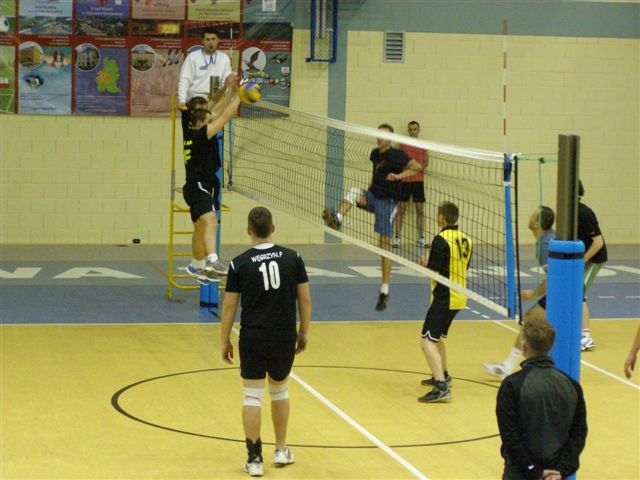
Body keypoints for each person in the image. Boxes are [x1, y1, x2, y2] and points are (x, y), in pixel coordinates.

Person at [221, 207, 312, 477]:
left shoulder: (239, 263)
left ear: (249, 231)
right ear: (273, 228)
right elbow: (305, 299)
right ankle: (281, 450)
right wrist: (304, 331)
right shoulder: (293, 258)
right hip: (283, 336)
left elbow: (229, 306)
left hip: (253, 337)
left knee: (252, 395)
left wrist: (224, 340)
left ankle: (255, 459)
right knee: (280, 390)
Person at [322, 124, 423, 311]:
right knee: (354, 192)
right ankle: (338, 218)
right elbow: (375, 174)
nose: (379, 138)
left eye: (383, 135)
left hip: (388, 203)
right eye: (378, 135)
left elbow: (417, 167)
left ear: (390, 139)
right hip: (373, 197)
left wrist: (399, 176)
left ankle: (385, 289)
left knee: (384, 246)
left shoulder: (397, 155)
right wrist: (369, 190)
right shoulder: (375, 154)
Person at [496, 317, 588, 480]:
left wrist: (532, 470)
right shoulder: (571, 385)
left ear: (524, 347)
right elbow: (578, 433)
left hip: (520, 473)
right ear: (552, 346)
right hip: (555, 475)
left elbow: (510, 436)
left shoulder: (512, 385)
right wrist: (561, 470)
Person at [484, 206, 555, 379]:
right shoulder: (548, 239)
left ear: (537, 223)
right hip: (567, 289)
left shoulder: (545, 246)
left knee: (532, 322)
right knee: (533, 321)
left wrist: (534, 294)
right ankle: (510, 367)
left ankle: (511, 368)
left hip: (564, 291)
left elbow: (554, 278)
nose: (530, 217)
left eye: (533, 215)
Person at [183, 79, 240, 283]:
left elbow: (216, 110)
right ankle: (212, 261)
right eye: (209, 122)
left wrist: (230, 91)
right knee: (211, 220)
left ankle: (196, 265)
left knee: (201, 227)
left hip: (200, 184)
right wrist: (240, 96)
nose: (212, 123)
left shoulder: (193, 130)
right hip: (199, 185)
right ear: (200, 124)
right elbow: (223, 116)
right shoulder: (200, 135)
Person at [418, 201, 472, 403]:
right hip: (459, 296)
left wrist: (425, 264)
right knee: (436, 337)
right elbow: (462, 266)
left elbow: (434, 270)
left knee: (426, 341)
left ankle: (441, 387)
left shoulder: (441, 239)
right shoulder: (466, 239)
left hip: (445, 297)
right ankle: (444, 375)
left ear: (441, 217)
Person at [578, 180, 607, 351]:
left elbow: (598, 242)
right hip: (579, 260)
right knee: (574, 294)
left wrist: (583, 260)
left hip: (593, 260)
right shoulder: (569, 212)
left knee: (578, 294)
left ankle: (586, 337)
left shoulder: (584, 213)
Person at [393, 120, 428, 249]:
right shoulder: (402, 144)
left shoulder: (423, 145)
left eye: (415, 129)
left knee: (420, 210)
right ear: (408, 131)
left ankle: (421, 238)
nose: (413, 131)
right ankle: (397, 238)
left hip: (418, 181)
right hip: (405, 181)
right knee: (401, 210)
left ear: (419, 130)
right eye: (410, 129)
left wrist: (418, 169)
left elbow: (426, 162)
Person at [178, 27, 234, 108]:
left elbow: (226, 81)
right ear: (202, 41)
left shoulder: (224, 58)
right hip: (195, 100)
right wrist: (182, 100)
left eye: (213, 39)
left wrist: (228, 99)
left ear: (218, 40)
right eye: (207, 39)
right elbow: (184, 79)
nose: (211, 42)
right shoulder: (193, 57)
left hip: (216, 100)